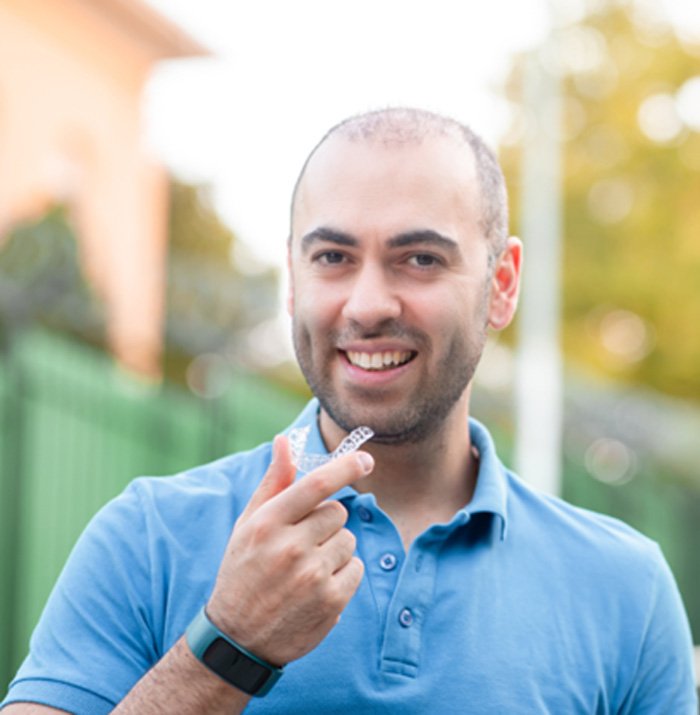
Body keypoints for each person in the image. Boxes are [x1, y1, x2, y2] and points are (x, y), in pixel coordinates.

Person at [2, 108, 697, 714]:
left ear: (501, 284)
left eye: (420, 259)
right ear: (293, 278)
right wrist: (229, 643)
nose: (366, 304)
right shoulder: (146, 540)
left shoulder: (625, 589)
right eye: (333, 256)